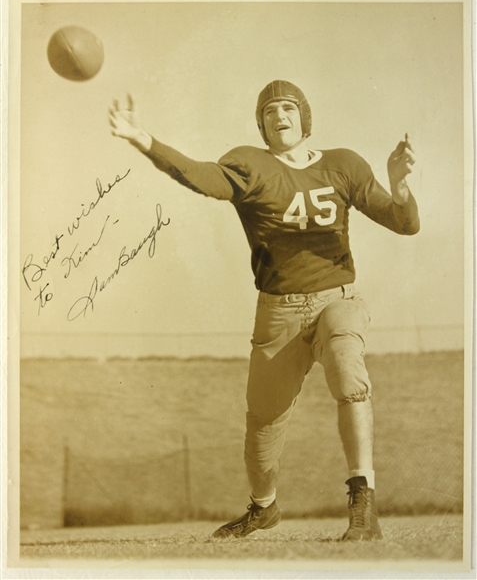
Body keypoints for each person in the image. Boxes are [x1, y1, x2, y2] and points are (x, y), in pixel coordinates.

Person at [109, 80, 419, 541]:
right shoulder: (250, 165)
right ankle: (263, 508)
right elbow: (198, 175)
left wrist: (399, 186)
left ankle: (363, 502)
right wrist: (143, 140)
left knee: (349, 374)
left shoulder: (343, 164)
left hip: (336, 299)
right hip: (278, 312)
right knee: (262, 425)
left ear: (304, 116)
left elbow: (405, 224)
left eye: (288, 107)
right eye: (270, 110)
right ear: (262, 124)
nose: (280, 115)